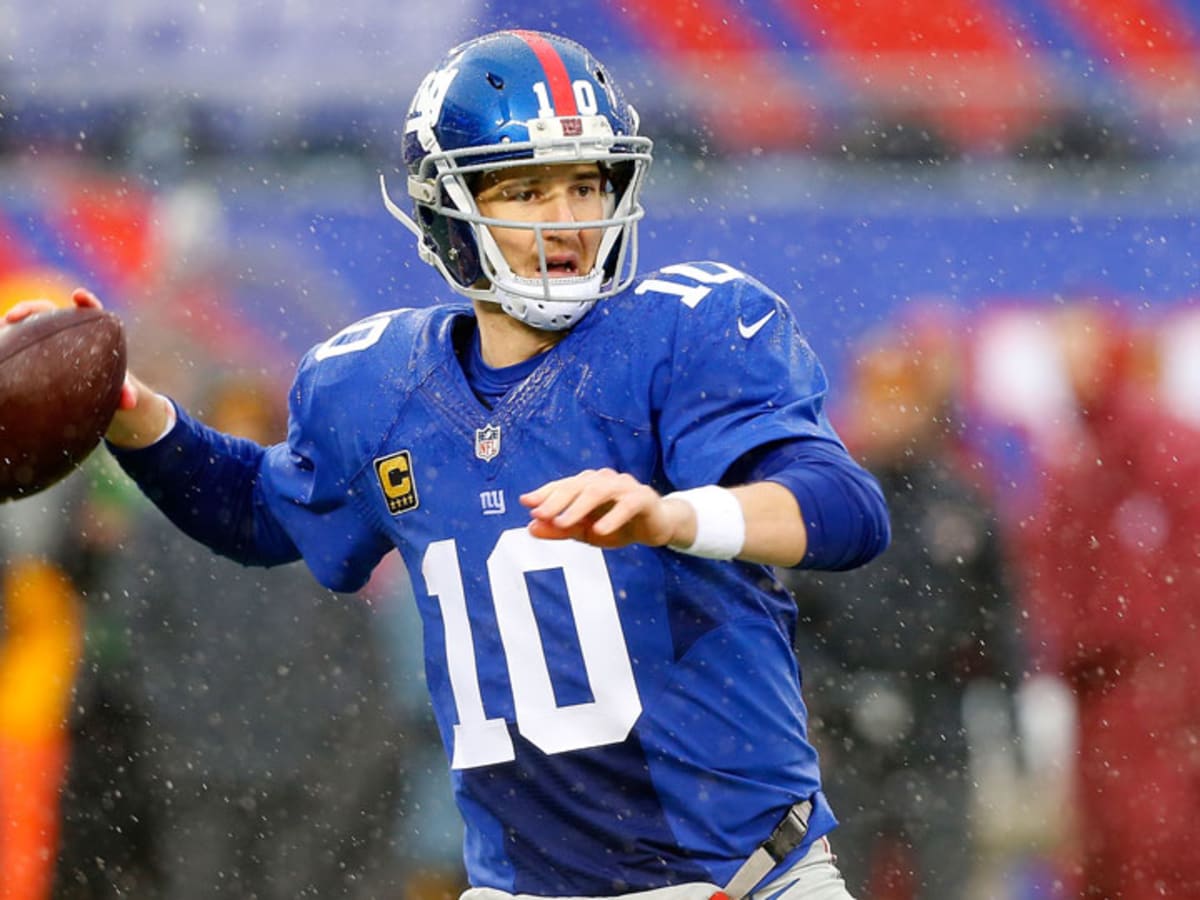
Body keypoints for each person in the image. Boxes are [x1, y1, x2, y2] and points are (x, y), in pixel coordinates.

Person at [7, 30, 890, 900]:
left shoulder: (683, 331)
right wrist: (138, 416)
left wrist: (680, 516)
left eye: (585, 182)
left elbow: (844, 508)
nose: (568, 219)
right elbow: (259, 512)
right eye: (526, 190)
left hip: (744, 878)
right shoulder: (379, 385)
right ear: (449, 208)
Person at [778, 321, 1023, 899]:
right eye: (877, 398)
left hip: (938, 728)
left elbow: (997, 618)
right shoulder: (830, 497)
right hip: (845, 740)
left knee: (946, 880)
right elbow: (791, 621)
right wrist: (838, 693)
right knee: (843, 881)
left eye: (902, 399)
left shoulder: (961, 496)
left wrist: (1011, 725)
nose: (889, 414)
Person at [1019, 303, 1200, 899]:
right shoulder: (1080, 455)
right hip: (1105, 692)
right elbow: (1052, 568)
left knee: (1155, 848)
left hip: (1156, 694)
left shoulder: (1161, 448)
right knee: (1107, 851)